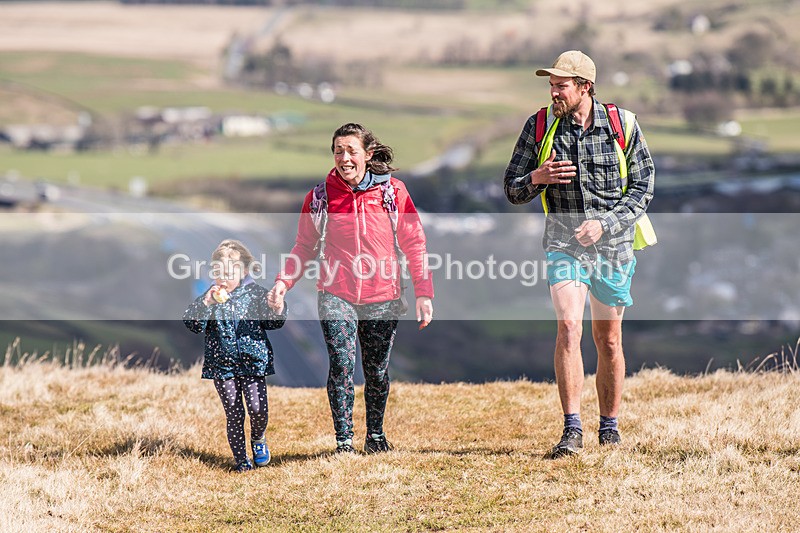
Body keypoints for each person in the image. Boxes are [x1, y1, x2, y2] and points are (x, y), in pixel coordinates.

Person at [504, 50, 655, 458]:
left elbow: (643, 188)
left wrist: (606, 223)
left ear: (584, 87)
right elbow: (512, 189)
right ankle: (572, 429)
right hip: (563, 243)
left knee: (607, 340)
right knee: (569, 327)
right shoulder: (538, 127)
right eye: (551, 85)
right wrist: (537, 177)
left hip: (614, 246)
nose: (553, 92)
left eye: (561, 85)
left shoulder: (623, 126)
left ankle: (610, 426)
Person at [268, 123, 434, 454]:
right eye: (338, 151)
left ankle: (375, 436)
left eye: (351, 151)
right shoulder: (320, 197)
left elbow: (414, 243)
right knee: (342, 365)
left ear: (367, 154)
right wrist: (282, 283)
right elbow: (304, 246)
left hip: (383, 296)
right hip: (335, 293)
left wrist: (423, 293)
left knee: (376, 371)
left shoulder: (392, 193)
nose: (344, 158)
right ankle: (344, 443)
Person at [183, 239, 287, 472]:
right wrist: (206, 302)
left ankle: (258, 439)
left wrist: (277, 307)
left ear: (244, 271)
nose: (224, 277)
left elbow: (274, 323)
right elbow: (193, 324)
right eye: (219, 272)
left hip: (253, 361)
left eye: (231, 272)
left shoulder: (256, 294)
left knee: (257, 408)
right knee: (234, 411)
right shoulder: (210, 297)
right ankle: (241, 461)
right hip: (222, 364)